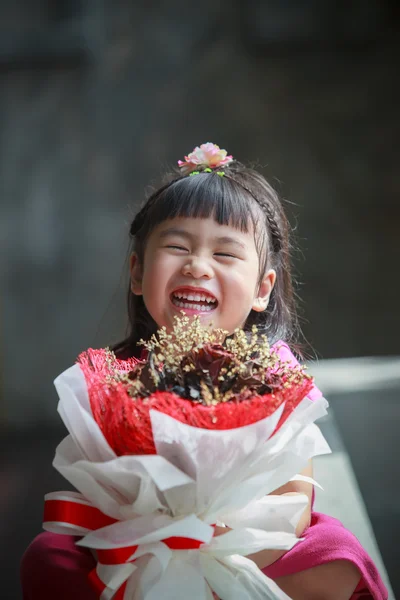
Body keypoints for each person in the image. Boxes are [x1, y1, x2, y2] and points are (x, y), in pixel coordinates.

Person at [21, 143, 388, 600]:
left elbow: (295, 499)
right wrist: (160, 537)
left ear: (262, 289)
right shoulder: (114, 376)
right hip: (138, 543)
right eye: (177, 247)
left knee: (336, 552)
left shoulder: (274, 372)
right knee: (48, 554)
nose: (197, 266)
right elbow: (96, 486)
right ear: (137, 273)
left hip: (254, 546)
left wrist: (213, 543)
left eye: (226, 254)